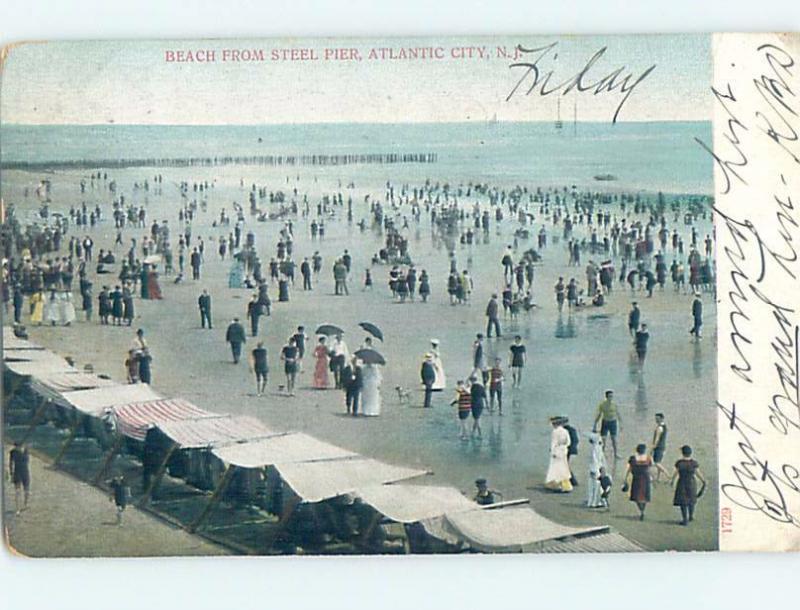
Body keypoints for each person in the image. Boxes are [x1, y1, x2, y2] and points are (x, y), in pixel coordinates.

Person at [671, 445, 707, 526]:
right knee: (691, 500)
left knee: (683, 501)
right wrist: (703, 480)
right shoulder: (694, 463)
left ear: (682, 453)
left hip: (682, 483)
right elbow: (698, 473)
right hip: (692, 482)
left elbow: (675, 473)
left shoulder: (679, 463)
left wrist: (672, 481)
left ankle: (685, 519)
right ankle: (691, 516)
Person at [623, 443, 653, 520]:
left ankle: (641, 510)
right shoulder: (648, 458)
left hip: (636, 479)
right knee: (645, 496)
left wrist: (625, 478)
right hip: (646, 479)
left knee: (636, 496)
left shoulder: (633, 458)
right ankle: (643, 510)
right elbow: (649, 468)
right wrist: (652, 477)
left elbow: (629, 469)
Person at [545, 416, 573, 492]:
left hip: (557, 450)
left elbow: (553, 443)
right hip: (563, 450)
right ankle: (566, 486)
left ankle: (557, 485)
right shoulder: (565, 431)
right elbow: (568, 442)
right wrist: (564, 447)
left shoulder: (555, 432)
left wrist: (552, 451)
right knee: (564, 467)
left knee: (555, 468)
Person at [593, 389, 621, 459]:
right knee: (603, 440)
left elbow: (618, 414)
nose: (611, 398)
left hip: (613, 422)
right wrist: (595, 424)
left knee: (614, 439)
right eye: (609, 396)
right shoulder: (602, 405)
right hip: (605, 422)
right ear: (606, 397)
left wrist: (621, 423)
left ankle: (616, 454)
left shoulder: (614, 404)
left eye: (612, 396)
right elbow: (599, 414)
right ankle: (601, 454)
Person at [9, 441, 31, 515]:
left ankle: (25, 504)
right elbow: (10, 463)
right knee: (17, 491)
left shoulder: (25, 451)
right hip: (19, 472)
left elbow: (27, 461)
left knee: (26, 490)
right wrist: (11, 474)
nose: (16, 448)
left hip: (24, 472)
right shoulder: (13, 452)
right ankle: (17, 508)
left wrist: (11, 473)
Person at [586, 432, 607, 508]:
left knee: (592, 486)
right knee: (597, 486)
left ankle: (591, 501)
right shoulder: (597, 448)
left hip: (594, 469)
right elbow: (598, 460)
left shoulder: (593, 448)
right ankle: (596, 502)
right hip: (596, 469)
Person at [651, 413, 670, 482]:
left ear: (661, 418)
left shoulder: (659, 428)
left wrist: (653, 447)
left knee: (656, 463)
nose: (656, 420)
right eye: (656, 418)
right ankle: (658, 478)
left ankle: (668, 476)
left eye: (657, 418)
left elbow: (657, 439)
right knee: (659, 462)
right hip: (662, 446)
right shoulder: (664, 426)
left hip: (658, 447)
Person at [562, 417, 579, 487]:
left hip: (567, 451)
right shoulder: (573, 430)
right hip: (574, 451)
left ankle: (573, 481)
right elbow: (576, 440)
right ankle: (572, 481)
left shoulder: (563, 431)